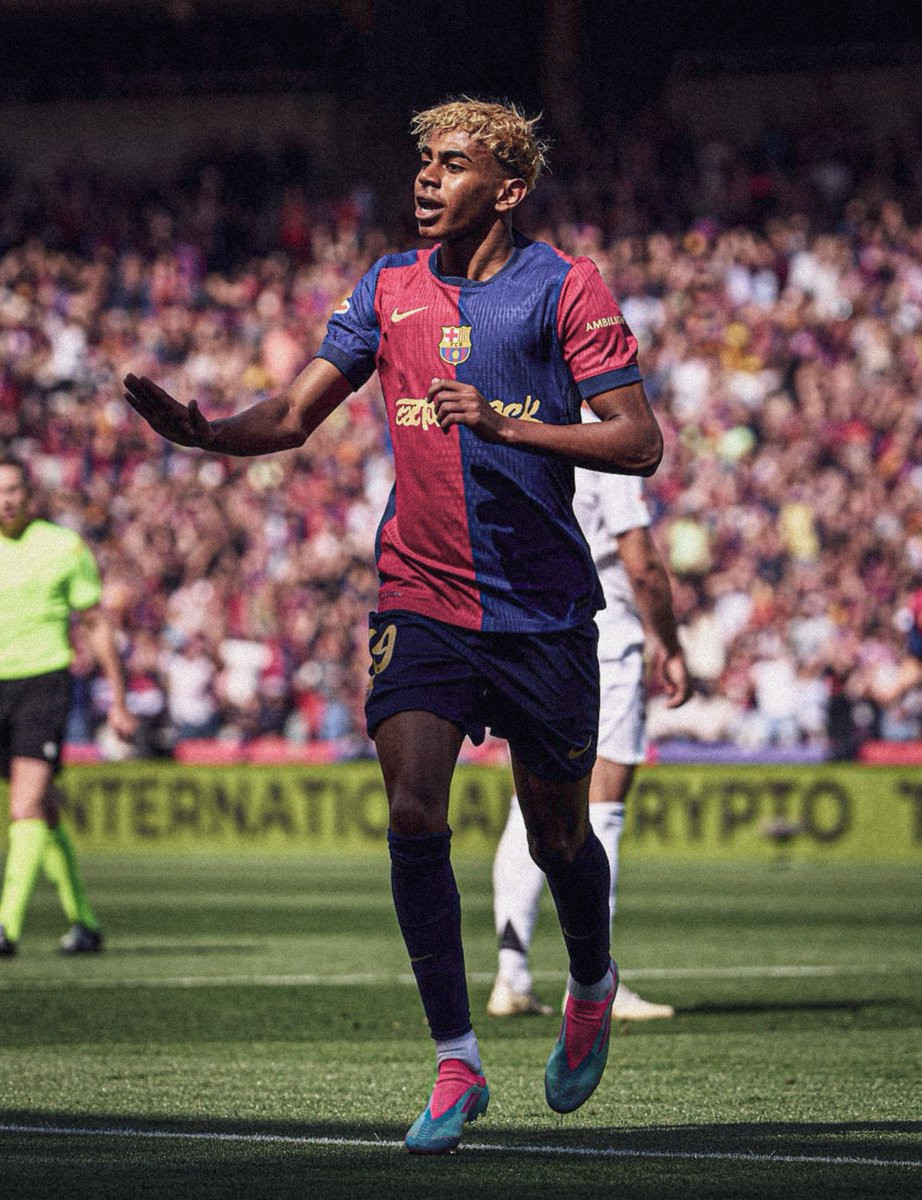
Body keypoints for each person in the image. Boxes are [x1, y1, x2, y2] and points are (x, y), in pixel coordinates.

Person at [123, 97, 663, 1154]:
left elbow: (639, 442)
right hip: (421, 596)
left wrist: (509, 424)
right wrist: (208, 434)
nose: (426, 177)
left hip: (543, 611)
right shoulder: (387, 286)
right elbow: (292, 415)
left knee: (558, 839)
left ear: (507, 189)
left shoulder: (565, 286)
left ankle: (591, 980)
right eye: (424, 161)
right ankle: (457, 1059)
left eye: (453, 164)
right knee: (415, 814)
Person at [489, 427, 692, 1019]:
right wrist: (670, 642)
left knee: (529, 803)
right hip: (605, 636)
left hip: (534, 630)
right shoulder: (607, 439)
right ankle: (597, 981)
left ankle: (512, 974)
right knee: (602, 805)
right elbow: (641, 564)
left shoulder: (524, 421)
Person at [0, 455, 137, 956]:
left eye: (13, 489)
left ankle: (5, 927)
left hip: (42, 683)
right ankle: (85, 922)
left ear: (29, 495)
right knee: (44, 811)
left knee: (24, 804)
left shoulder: (63, 547)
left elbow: (96, 624)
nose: (6, 500)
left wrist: (118, 699)